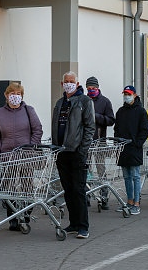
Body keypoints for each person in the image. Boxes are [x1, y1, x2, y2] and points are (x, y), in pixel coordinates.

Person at [0, 82, 43, 230]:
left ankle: (26, 216)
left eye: (18, 94)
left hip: (26, 155)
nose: (16, 96)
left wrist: (31, 146)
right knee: (9, 187)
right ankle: (12, 218)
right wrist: (0, 149)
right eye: (13, 93)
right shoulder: (0, 113)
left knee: (27, 186)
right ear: (6, 95)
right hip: (8, 156)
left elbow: (37, 129)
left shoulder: (28, 110)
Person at [51, 71, 95, 239]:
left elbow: (90, 127)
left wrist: (82, 150)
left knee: (78, 189)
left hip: (77, 152)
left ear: (77, 84)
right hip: (61, 153)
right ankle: (73, 223)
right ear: (62, 84)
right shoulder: (60, 102)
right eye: (66, 81)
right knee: (68, 190)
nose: (68, 84)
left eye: (71, 81)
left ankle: (83, 226)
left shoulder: (84, 101)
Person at [113, 85, 148, 215]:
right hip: (123, 148)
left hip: (134, 148)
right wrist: (118, 141)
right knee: (127, 176)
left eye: (129, 94)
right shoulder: (121, 111)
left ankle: (137, 203)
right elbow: (116, 128)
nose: (126, 96)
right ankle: (129, 201)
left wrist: (137, 143)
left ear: (134, 95)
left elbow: (145, 130)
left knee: (135, 175)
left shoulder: (141, 111)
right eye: (125, 94)